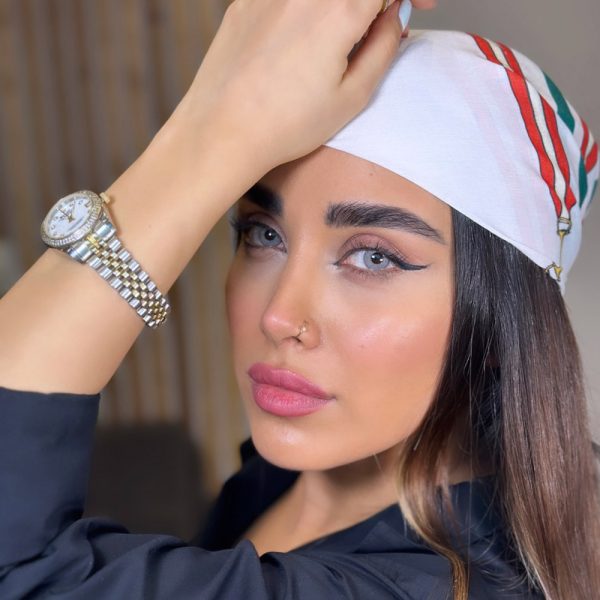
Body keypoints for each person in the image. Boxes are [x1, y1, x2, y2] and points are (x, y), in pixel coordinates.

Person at [0, 0, 598, 598]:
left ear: (500, 328)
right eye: (264, 234)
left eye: (375, 257)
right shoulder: (296, 475)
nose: (278, 316)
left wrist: (209, 134)